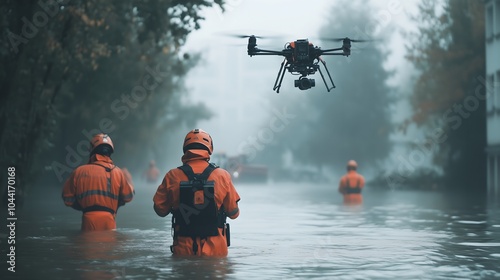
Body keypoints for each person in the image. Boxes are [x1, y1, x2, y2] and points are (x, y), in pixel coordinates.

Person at [153, 129, 241, 257]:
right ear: (209, 148)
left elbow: (160, 210)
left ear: (185, 148)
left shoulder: (172, 176)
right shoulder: (223, 176)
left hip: (183, 249)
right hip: (216, 251)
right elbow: (233, 213)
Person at [62, 133, 135, 231]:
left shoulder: (78, 172)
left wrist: (82, 206)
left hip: (88, 220)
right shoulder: (118, 172)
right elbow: (128, 197)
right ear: (110, 152)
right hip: (109, 221)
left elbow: (67, 199)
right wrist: (130, 181)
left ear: (92, 150)